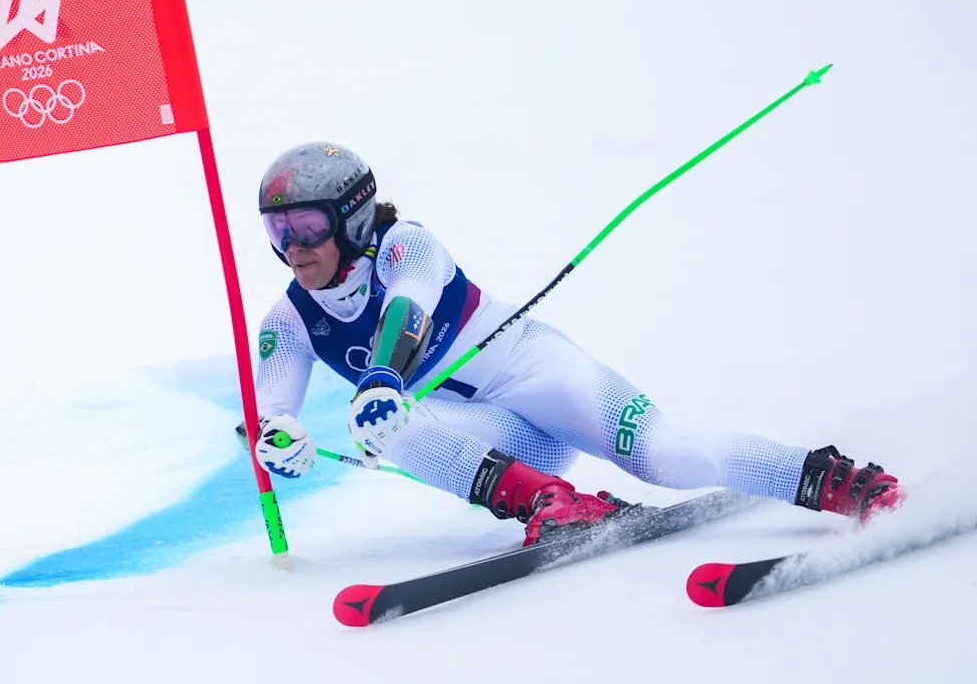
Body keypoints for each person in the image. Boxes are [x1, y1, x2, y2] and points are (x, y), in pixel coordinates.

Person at [250, 142, 902, 545]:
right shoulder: (288, 320)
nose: (295, 248)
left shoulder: (405, 246)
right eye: (279, 232)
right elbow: (275, 415)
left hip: (540, 375)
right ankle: (551, 502)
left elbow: (406, 311)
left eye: (307, 225)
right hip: (503, 439)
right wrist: (281, 442)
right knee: (378, 427)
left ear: (354, 216)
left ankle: (845, 484)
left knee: (670, 458)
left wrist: (383, 377)